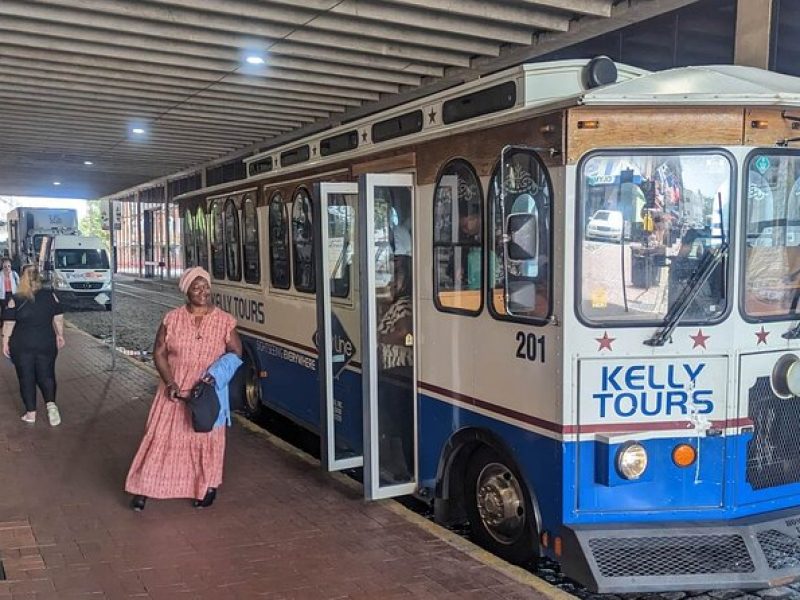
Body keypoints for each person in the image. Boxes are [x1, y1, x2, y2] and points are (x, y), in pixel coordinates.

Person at [125, 267, 242, 511]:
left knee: (206, 440)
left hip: (208, 392)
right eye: (197, 287)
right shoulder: (172, 319)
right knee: (159, 438)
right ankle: (144, 488)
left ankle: (207, 486)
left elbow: (235, 352)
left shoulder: (224, 321)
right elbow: (159, 352)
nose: (203, 292)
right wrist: (169, 382)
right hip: (174, 390)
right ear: (186, 291)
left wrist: (214, 376)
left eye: (206, 286)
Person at [2, 265, 64, 426]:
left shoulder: (15, 299)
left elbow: (9, 324)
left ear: (22, 279)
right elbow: (58, 318)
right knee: (47, 374)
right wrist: (60, 335)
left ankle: (31, 414)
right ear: (39, 278)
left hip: (22, 344)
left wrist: (4, 342)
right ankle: (51, 406)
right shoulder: (51, 296)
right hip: (46, 342)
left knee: (26, 377)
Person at [376, 254, 414, 483]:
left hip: (399, 371)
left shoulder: (403, 304)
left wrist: (379, 335)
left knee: (399, 425)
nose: (390, 281)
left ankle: (404, 470)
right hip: (396, 370)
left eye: (396, 275)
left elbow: (407, 335)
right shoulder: (399, 303)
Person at [1, 258, 20, 326]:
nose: (7, 268)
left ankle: (16, 322)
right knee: (4, 309)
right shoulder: (0, 275)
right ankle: (3, 323)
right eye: (5, 266)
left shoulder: (14, 274)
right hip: (3, 295)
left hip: (13, 294)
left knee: (14, 308)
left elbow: (19, 284)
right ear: (2, 267)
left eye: (8, 266)